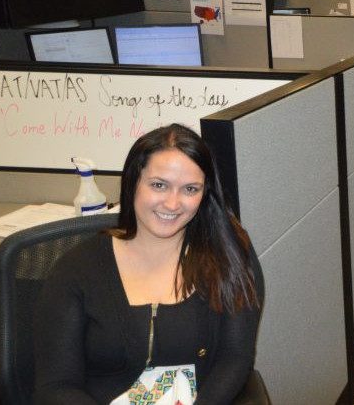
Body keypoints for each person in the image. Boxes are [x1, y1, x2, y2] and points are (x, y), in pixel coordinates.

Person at [34, 124, 264, 404]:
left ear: (205, 195)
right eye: (159, 185)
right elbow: (57, 385)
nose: (172, 203)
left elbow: (234, 359)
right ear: (133, 183)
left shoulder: (228, 254)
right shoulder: (77, 269)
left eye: (190, 189)